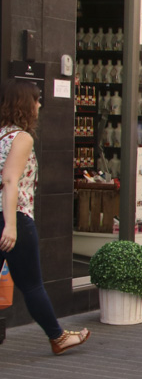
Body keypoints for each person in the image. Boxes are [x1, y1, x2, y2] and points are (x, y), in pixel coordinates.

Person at [0, 80, 90, 355]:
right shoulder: (22, 138)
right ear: (25, 104)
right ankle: (58, 337)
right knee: (32, 284)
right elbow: (10, 180)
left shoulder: (1, 136)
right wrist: (12, 225)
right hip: (15, 217)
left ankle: (58, 336)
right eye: (37, 100)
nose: (39, 105)